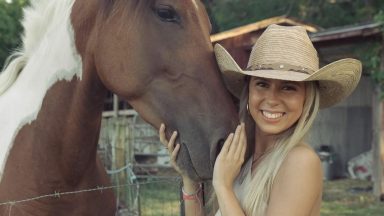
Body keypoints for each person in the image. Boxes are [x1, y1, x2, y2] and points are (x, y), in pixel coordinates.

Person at [159, 24, 362, 216]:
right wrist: (189, 178)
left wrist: (222, 186)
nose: (272, 99)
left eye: (288, 87)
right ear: (248, 92)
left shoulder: (300, 162)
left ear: (307, 99)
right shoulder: (242, 159)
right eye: (262, 84)